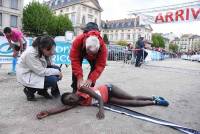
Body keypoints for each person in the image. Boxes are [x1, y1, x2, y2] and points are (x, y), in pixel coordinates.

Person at [36, 84, 169, 120]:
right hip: (108, 99)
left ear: (72, 93)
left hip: (109, 89)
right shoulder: (77, 103)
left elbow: (99, 98)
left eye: (71, 98)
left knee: (132, 98)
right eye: (70, 102)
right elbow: (63, 108)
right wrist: (47, 112)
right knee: (130, 104)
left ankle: (153, 97)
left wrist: (101, 110)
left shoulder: (82, 90)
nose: (72, 101)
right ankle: (155, 102)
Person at [16, 36, 62, 101]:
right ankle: (29, 90)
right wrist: (57, 72)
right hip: (27, 74)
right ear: (42, 48)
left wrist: (50, 57)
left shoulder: (44, 49)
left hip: (36, 70)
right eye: (49, 50)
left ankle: (45, 91)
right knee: (53, 79)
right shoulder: (30, 54)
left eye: (52, 49)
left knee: (57, 69)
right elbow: (41, 72)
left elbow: (50, 64)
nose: (51, 52)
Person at [70, 22, 107, 93]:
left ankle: (89, 89)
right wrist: (79, 77)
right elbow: (74, 61)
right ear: (86, 47)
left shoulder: (103, 48)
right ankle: (75, 88)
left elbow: (100, 65)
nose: (90, 56)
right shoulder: (78, 40)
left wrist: (91, 79)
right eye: (90, 54)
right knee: (75, 70)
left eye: (93, 54)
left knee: (94, 68)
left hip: (95, 55)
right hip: (81, 51)